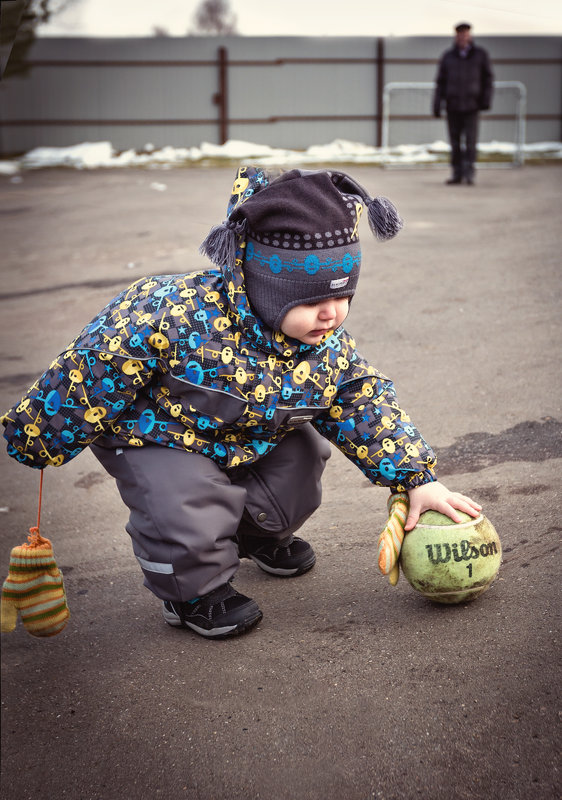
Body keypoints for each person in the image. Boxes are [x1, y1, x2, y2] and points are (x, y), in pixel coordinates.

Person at [1, 167, 481, 640]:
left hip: (246, 434)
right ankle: (192, 592)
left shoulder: (325, 343)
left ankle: (257, 535)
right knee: (183, 504)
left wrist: (417, 479)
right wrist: (37, 432)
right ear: (263, 284)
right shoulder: (173, 313)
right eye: (310, 300)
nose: (332, 314)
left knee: (303, 457)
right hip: (158, 436)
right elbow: (96, 362)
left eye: (344, 295)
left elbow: (363, 400)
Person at [433, 22, 494, 185]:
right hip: (453, 106)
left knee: (470, 142)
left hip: (472, 106)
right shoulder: (448, 56)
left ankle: (469, 173)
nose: (463, 37)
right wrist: (437, 104)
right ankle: (457, 174)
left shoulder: (480, 55)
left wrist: (485, 100)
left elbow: (488, 79)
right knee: (455, 143)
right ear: (456, 36)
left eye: (466, 34)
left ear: (470, 35)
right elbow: (440, 82)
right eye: (460, 34)